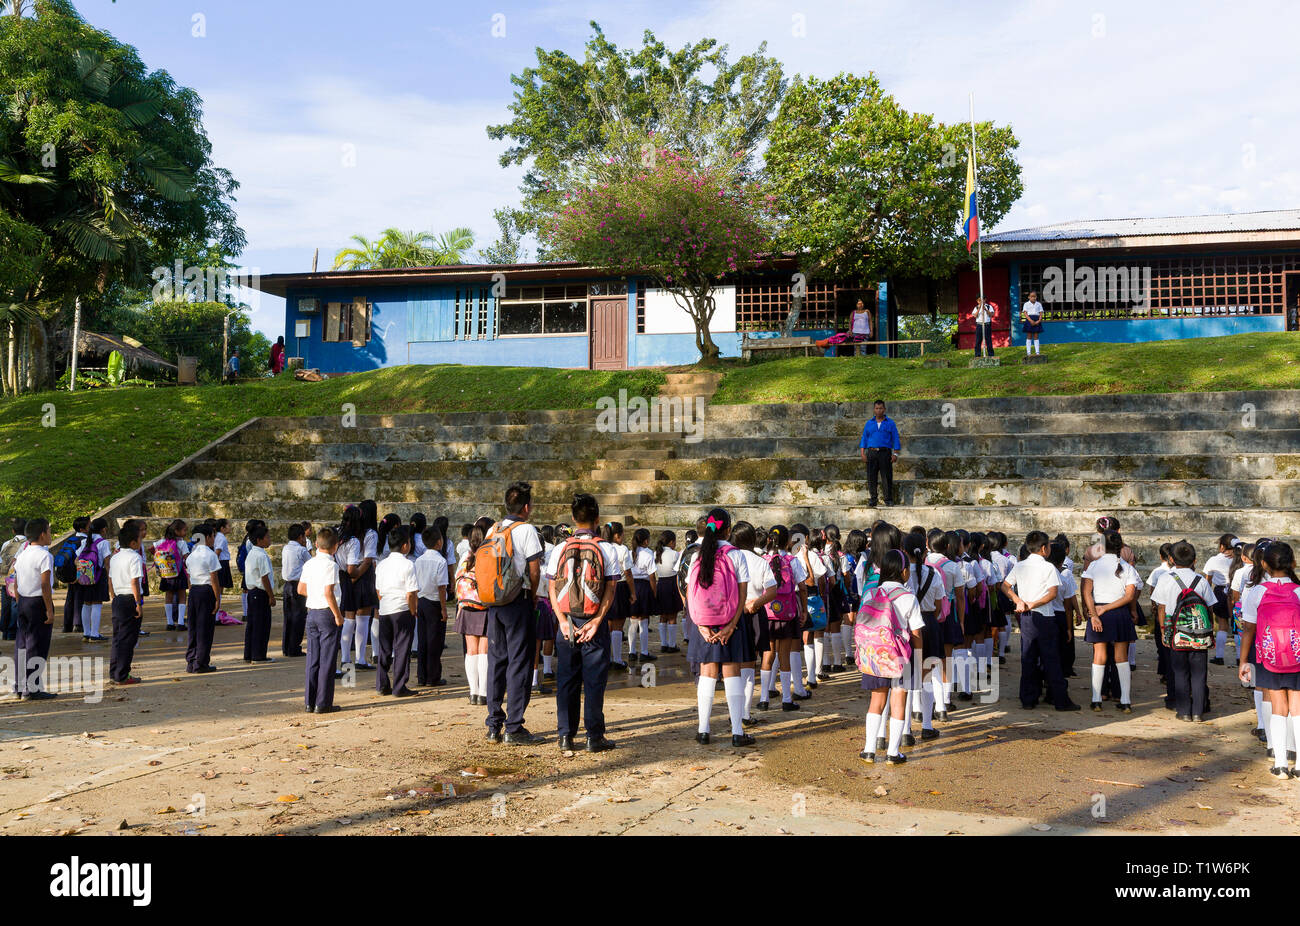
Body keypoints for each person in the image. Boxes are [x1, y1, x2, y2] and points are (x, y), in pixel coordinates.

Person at [548, 493, 623, 752]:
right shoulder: (607, 548)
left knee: (566, 681)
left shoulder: (559, 548)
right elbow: (611, 589)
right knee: (594, 682)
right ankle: (594, 736)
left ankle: (565, 736)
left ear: (572, 518)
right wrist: (597, 621)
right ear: (597, 518)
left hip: (566, 623)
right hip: (594, 623)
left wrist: (562, 621)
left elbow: (551, 586)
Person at [483, 482, 546, 746]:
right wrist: (532, 597)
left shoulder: (493, 528)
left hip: (493, 602)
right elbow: (534, 570)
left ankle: (493, 725)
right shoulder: (526, 530)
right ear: (527, 507)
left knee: (496, 662)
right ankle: (514, 726)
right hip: (517, 601)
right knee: (519, 662)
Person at [685, 508, 755, 747]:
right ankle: (737, 731)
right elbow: (742, 594)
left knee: (707, 673)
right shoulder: (736, 555)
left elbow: (689, 594)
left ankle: (703, 730)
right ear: (728, 529)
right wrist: (732, 625)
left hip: (702, 621)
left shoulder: (697, 555)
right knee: (731, 672)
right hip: (730, 622)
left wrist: (700, 624)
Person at [1237, 541, 1300, 778]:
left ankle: (1281, 763)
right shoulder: (1298, 591)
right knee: (1298, 708)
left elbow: (1249, 630)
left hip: (1268, 656)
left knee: (1278, 707)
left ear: (1264, 564)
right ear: (1292, 563)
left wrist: (1243, 661)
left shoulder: (1257, 592)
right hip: (1297, 655)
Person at [1005, 531, 1079, 711]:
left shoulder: (1020, 566)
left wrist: (1018, 601)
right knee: (1051, 659)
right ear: (1044, 548)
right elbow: (1052, 593)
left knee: (1028, 657)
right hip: (1044, 615)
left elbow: (1005, 586)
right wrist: (1033, 603)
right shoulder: (1048, 568)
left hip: (1027, 617)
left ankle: (1028, 698)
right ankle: (1060, 700)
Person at [1151, 540, 1215, 722]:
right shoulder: (1201, 580)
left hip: (1175, 632)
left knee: (1179, 672)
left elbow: (1161, 608)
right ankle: (1198, 712)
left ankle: (1184, 711)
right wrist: (1207, 630)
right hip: (1199, 633)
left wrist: (1164, 630)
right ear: (1194, 560)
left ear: (1171, 559)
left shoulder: (1165, 578)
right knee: (1199, 673)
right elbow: (1209, 608)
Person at [1081, 530, 1140, 712]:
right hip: (1120, 613)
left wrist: (1095, 615)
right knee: (1121, 658)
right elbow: (1130, 596)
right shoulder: (1128, 567)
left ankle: (1096, 699)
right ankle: (1125, 700)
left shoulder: (1094, 566)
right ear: (1120, 546)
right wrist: (1106, 609)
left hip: (1099, 610)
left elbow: (1086, 593)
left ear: (1102, 546)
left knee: (1099, 656)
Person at [299, 527, 344, 713]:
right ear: (336, 547)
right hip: (326, 612)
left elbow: (301, 589)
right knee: (327, 659)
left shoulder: (310, 563)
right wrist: (337, 614)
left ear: (316, 544)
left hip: (312, 612)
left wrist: (316, 594)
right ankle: (323, 702)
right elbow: (329, 593)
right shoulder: (331, 565)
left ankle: (310, 701)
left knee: (313, 658)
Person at [373, 525, 420, 697]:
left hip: (385, 609)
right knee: (402, 649)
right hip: (402, 609)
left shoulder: (381, 565)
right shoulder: (408, 564)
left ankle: (382, 684)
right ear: (405, 546)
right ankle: (399, 686)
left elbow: (378, 591)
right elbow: (411, 593)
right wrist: (413, 610)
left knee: (384, 648)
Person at [12, 518, 55, 700]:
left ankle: (19, 687)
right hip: (38, 602)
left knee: (22, 644)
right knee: (37, 645)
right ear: (42, 534)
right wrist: (49, 609)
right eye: (49, 531)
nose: (50, 535)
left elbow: (15, 582)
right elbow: (45, 585)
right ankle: (32, 689)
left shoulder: (22, 554)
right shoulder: (45, 555)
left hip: (23, 601)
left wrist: (20, 601)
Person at [107, 521, 145, 685]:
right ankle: (123, 674)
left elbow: (109, 578)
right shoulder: (135, 557)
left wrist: (113, 595)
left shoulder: (115, 557)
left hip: (118, 598)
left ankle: (114, 671)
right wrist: (138, 603)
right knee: (128, 638)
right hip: (130, 598)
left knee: (118, 637)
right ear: (133, 542)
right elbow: (134, 582)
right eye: (139, 539)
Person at [184, 522, 222, 674]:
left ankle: (191, 661)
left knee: (193, 627)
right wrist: (217, 598)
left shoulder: (192, 554)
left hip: (194, 591)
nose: (214, 539)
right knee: (205, 628)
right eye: (212, 536)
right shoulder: (210, 554)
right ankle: (201, 662)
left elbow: (189, 576)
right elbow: (214, 579)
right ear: (207, 537)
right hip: (206, 591)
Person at [414, 525, 449, 688]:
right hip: (435, 603)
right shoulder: (440, 561)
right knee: (435, 641)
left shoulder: (419, 560)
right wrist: (444, 609)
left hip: (421, 601)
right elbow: (441, 587)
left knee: (423, 639)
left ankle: (422, 676)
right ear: (439, 542)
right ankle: (433, 677)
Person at [242, 523, 275, 663]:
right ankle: (259, 655)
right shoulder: (261, 555)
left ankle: (249, 653)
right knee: (261, 625)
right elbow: (264, 577)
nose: (269, 539)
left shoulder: (252, 553)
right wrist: (271, 595)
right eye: (267, 537)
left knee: (253, 624)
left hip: (252, 593)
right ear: (259, 540)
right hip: (260, 592)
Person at [859, 399, 900, 508]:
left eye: (881, 408)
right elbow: (864, 438)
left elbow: (895, 438)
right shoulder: (869, 423)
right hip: (871, 452)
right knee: (871, 477)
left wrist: (895, 454)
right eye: (876, 408)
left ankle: (888, 499)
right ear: (874, 410)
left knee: (886, 477)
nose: (878, 410)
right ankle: (873, 499)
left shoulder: (890, 423)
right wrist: (863, 453)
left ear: (884, 409)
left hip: (885, 453)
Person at [281, 523, 310, 657]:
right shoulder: (301, 550)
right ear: (300, 537)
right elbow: (310, 563)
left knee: (289, 616)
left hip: (287, 584)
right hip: (297, 584)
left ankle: (286, 646)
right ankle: (294, 647)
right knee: (298, 616)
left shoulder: (286, 548)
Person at [1, 518, 27, 641]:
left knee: (5, 606)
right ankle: (12, 633)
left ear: (13, 530)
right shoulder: (27, 544)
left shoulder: (6, 544)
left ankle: (4, 632)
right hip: (17, 580)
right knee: (15, 605)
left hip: (4, 579)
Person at [1020, 290, 1044, 357]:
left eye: (1035, 296)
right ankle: (1028, 352)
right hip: (1029, 320)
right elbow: (1025, 313)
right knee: (1029, 336)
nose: (1033, 298)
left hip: (1037, 320)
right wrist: (1030, 321)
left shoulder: (1038, 304)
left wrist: (1038, 321)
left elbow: (1041, 313)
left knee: (1036, 336)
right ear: (1029, 297)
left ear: (1036, 297)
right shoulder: (1026, 304)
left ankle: (1037, 352)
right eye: (1032, 296)